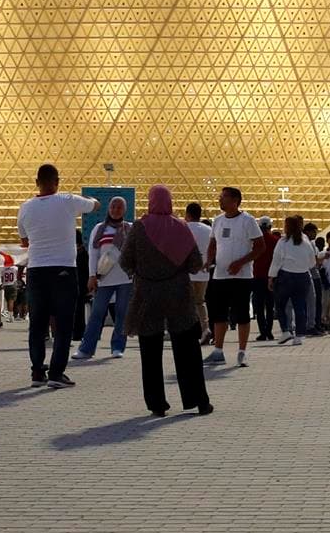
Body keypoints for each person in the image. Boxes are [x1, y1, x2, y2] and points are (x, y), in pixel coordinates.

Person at [121, 185, 211, 415]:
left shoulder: (139, 227)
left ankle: (157, 404)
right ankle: (197, 400)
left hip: (146, 295)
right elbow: (194, 263)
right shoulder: (180, 227)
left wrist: (141, 271)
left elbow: (125, 260)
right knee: (188, 350)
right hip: (178, 295)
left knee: (150, 352)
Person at [18, 164, 96, 388]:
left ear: (36, 182)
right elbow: (94, 205)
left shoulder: (25, 207)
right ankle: (56, 373)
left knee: (37, 324)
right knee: (63, 325)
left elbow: (24, 241)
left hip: (36, 270)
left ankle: (36, 372)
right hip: (63, 269)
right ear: (57, 181)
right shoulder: (67, 200)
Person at [204, 187, 259, 368]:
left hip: (242, 277)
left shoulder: (248, 221)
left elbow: (260, 247)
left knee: (242, 314)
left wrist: (240, 263)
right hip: (220, 276)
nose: (220, 200)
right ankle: (218, 351)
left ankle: (242, 352)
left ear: (235, 200)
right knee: (219, 315)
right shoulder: (217, 221)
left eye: (223, 197)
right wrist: (208, 261)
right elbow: (213, 244)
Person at [76, 195, 134, 360]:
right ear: (109, 209)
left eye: (119, 207)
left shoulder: (130, 228)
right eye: (113, 207)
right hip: (104, 279)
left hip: (125, 279)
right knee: (97, 313)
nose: (115, 210)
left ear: (125, 209)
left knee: (122, 314)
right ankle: (86, 348)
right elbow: (93, 254)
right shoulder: (99, 229)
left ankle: (118, 347)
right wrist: (92, 275)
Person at [267, 215, 318, 346]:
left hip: (286, 276)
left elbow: (276, 260)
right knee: (300, 306)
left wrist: (271, 277)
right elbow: (312, 262)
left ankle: (286, 330)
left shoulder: (283, 241)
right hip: (303, 276)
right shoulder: (306, 241)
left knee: (280, 305)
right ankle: (299, 335)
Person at [250, 217, 279, 342]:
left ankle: (263, 332)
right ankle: (269, 332)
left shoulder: (254, 241)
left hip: (257, 276)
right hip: (271, 277)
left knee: (259, 306)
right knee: (270, 305)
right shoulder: (275, 240)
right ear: (270, 227)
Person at [185, 202, 213, 320]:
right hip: (203, 272)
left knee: (185, 303)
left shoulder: (183, 228)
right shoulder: (209, 230)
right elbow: (214, 248)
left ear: (187, 214)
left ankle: (188, 330)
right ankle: (204, 328)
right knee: (200, 302)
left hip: (186, 273)